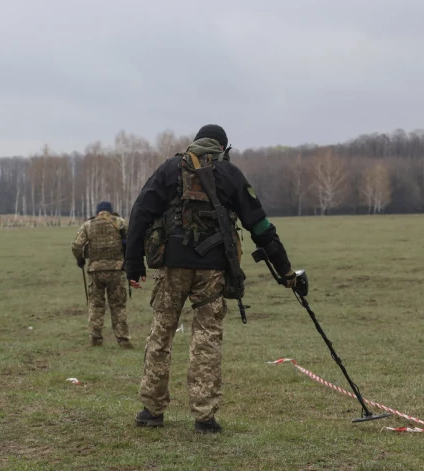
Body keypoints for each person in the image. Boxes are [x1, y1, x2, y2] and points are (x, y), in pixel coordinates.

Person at [125, 124, 296, 433]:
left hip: (172, 266)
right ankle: (204, 416)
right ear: (223, 149)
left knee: (161, 334)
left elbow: (140, 214)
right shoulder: (230, 174)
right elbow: (261, 227)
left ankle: (152, 410)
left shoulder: (168, 169)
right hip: (212, 270)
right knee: (206, 339)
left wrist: (133, 262)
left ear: (195, 144)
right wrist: (285, 271)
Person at [72, 202, 133, 349]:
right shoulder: (121, 223)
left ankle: (95, 339)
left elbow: (76, 246)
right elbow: (131, 242)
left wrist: (80, 260)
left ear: (98, 211)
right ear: (111, 211)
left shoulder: (88, 225)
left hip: (95, 271)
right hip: (117, 271)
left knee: (96, 306)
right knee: (118, 306)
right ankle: (123, 340)